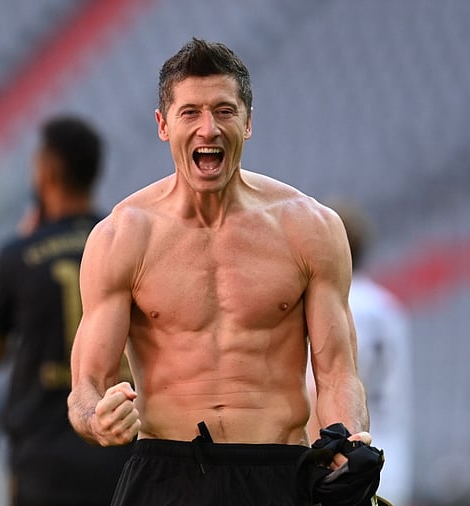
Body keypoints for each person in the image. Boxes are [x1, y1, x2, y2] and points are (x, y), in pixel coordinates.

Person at [67, 38, 374, 505]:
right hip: (166, 471)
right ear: (162, 125)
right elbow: (86, 385)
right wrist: (96, 419)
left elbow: (336, 373)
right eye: (190, 112)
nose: (208, 129)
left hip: (277, 472)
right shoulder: (122, 236)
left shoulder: (309, 227)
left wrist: (345, 441)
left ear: (248, 122)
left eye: (224, 111)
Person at [0, 115, 132, 505]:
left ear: (48, 171)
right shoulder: (127, 245)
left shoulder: (19, 255)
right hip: (122, 450)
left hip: (45, 458)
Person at [324, 203, 414, 505]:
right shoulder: (387, 306)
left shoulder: (340, 304)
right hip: (392, 451)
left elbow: (336, 377)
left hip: (351, 455)